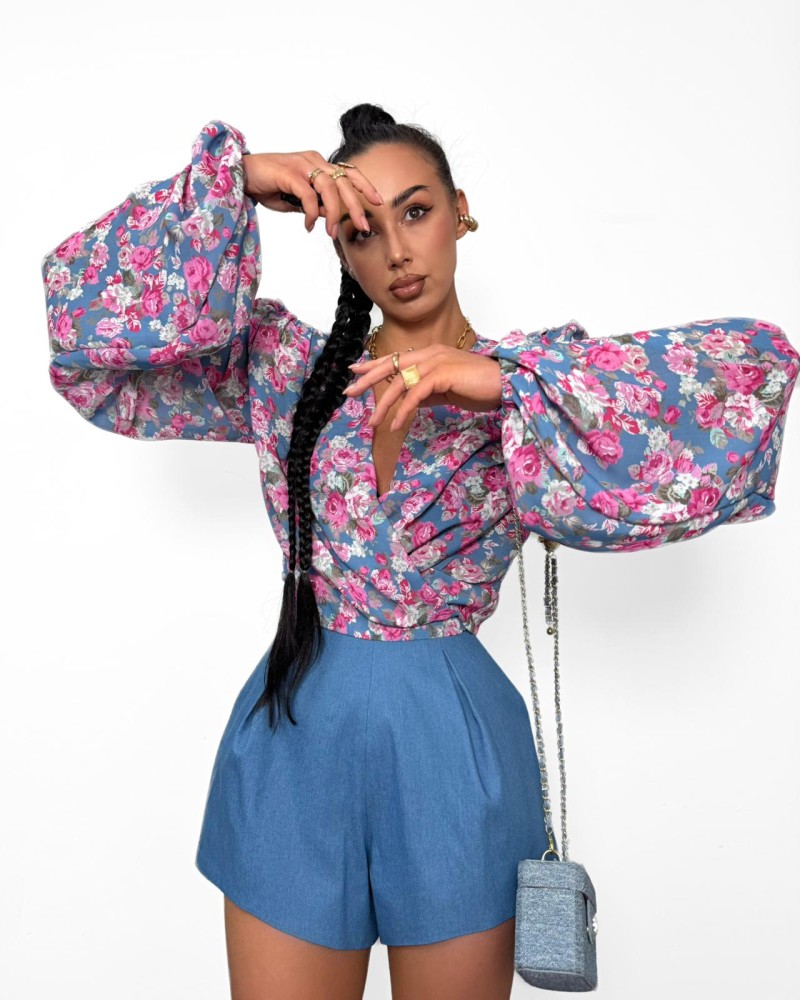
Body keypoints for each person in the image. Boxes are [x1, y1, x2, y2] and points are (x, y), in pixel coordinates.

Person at [41, 103, 799, 1000]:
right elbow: (85, 342)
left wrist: (509, 386)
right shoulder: (287, 369)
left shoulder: (536, 379)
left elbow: (755, 373)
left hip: (454, 752)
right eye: (364, 230)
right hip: (293, 739)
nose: (398, 252)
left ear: (460, 212)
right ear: (339, 247)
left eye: (416, 211)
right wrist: (231, 182)